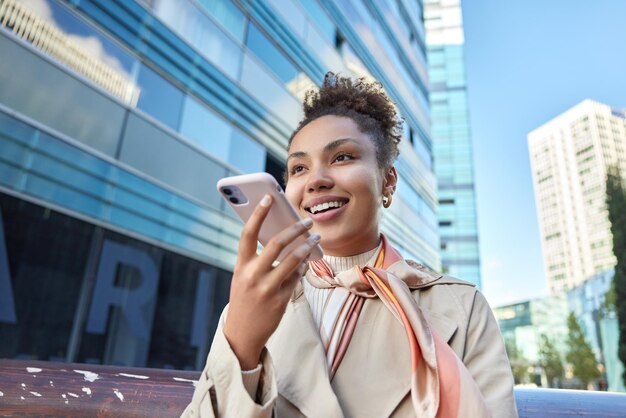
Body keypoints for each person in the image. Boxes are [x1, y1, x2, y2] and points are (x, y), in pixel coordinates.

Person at [182, 74, 517, 417]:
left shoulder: (462, 306)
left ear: (388, 180)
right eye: (299, 167)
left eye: (342, 157)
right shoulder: (254, 300)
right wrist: (241, 342)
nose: (316, 180)